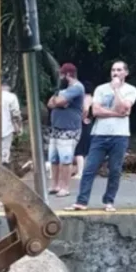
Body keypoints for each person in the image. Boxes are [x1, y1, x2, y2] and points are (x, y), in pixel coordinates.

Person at [67, 61, 136, 211]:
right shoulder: (100, 89)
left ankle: (109, 201)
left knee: (115, 170)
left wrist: (117, 90)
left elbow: (125, 107)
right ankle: (82, 201)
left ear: (126, 73)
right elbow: (97, 111)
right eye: (113, 70)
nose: (115, 73)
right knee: (89, 168)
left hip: (120, 135)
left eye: (119, 70)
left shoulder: (131, 90)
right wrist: (117, 113)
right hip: (99, 134)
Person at [45, 63, 84, 197]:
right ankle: (55, 185)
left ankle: (65, 187)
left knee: (65, 158)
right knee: (53, 158)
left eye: (61, 74)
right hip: (56, 128)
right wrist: (59, 101)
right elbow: (50, 103)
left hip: (69, 129)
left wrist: (59, 102)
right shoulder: (62, 89)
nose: (59, 77)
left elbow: (60, 102)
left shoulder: (77, 88)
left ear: (68, 75)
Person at [0, 77, 22, 167]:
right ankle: (4, 166)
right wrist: (18, 127)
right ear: (8, 87)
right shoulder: (11, 97)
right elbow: (15, 114)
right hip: (7, 128)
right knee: (5, 151)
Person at [72, 91, 94, 178]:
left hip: (83, 124)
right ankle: (82, 171)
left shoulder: (86, 98)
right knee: (85, 149)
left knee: (79, 149)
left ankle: (80, 172)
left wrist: (82, 118)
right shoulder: (93, 98)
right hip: (90, 123)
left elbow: (85, 109)